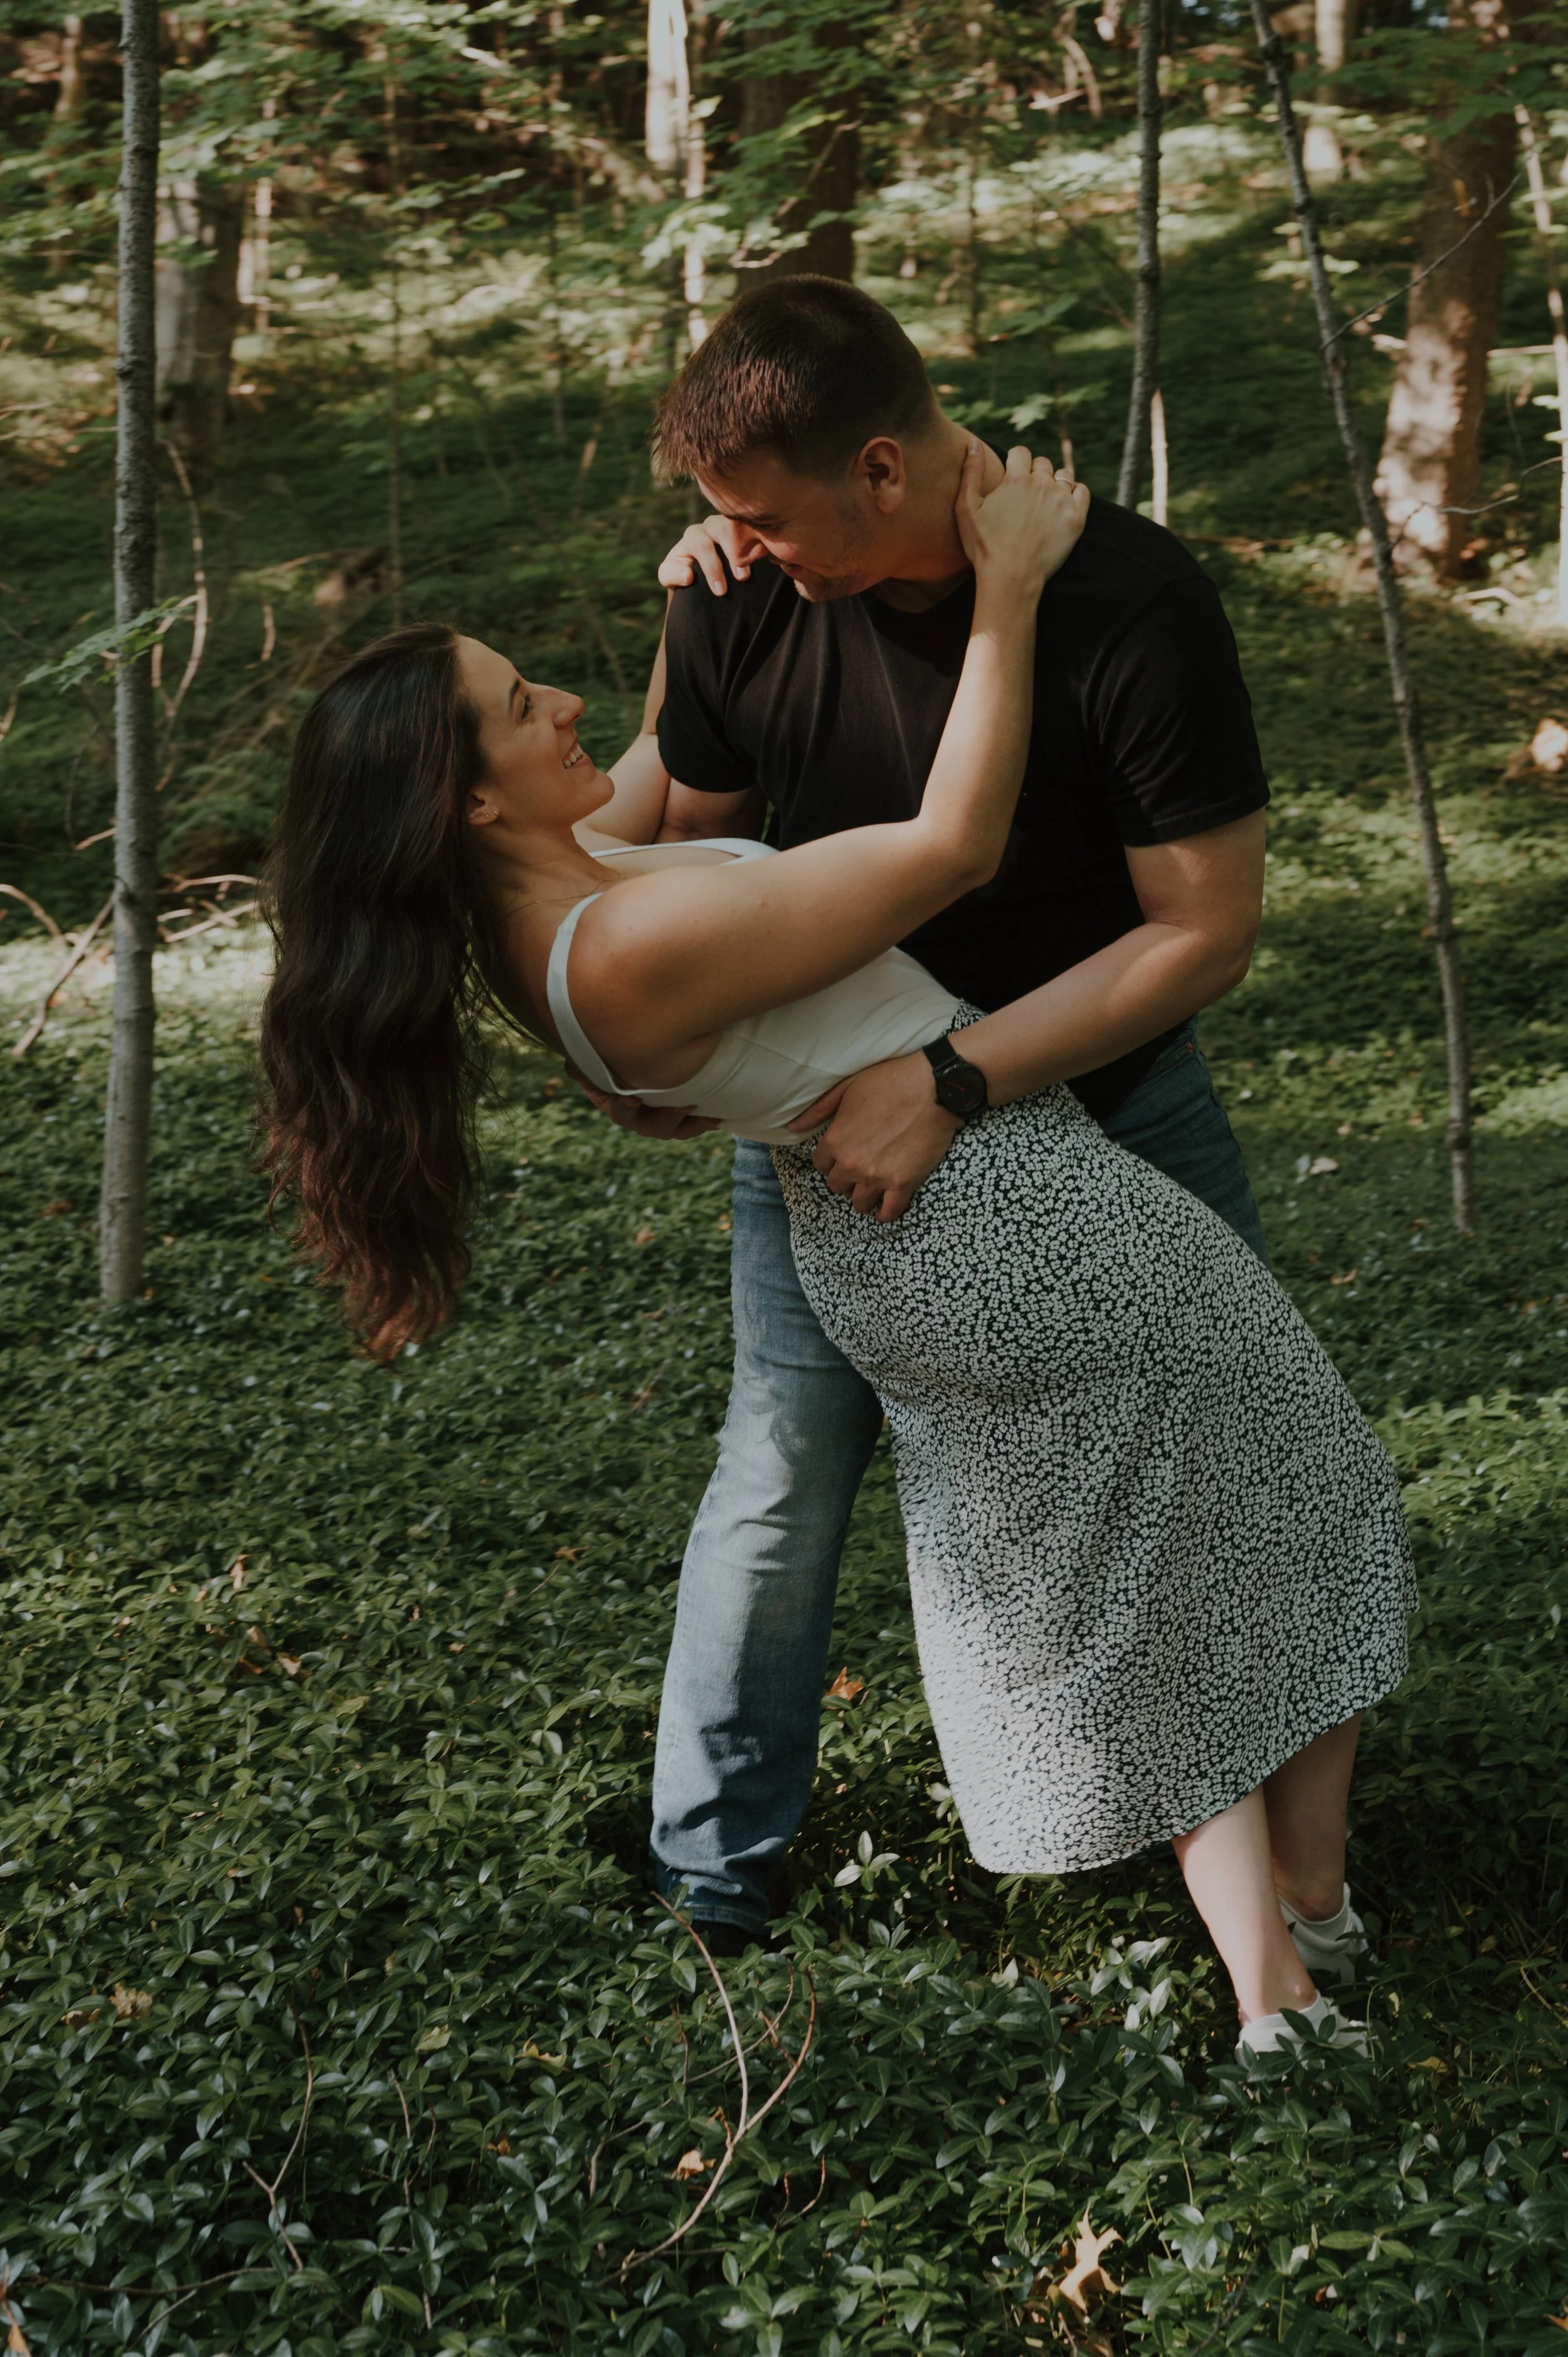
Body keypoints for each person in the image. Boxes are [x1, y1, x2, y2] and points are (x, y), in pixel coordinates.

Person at [258, 448, 1416, 2063]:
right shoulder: (637, 936)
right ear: (465, 796)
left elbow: (660, 762)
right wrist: (1009, 583)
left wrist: (697, 597)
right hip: (1002, 1209)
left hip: (915, 1236)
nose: (565, 706)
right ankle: (1279, 1986)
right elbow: (948, 845)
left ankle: (1299, 1916)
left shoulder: (556, 901)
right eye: (525, 706)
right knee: (1231, 1529)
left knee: (1201, 1530)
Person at [595, 279, 1284, 1960]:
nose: (739, 544)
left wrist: (960, 1080)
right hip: (830, 1141)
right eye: (719, 519)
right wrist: (665, 1060)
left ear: (884, 468)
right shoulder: (737, 592)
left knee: (1237, 1446)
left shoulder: (1124, 597)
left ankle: (1258, 1870)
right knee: (782, 1467)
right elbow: (676, 855)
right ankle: (712, 1851)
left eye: (760, 512)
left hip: (1113, 1108)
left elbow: (1200, 926)